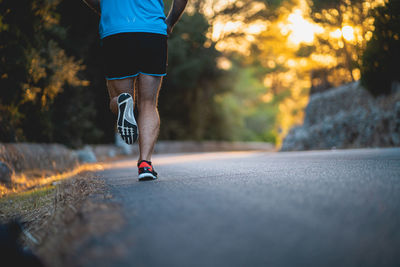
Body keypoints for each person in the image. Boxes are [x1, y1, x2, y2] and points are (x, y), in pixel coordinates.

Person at [83, 0, 188, 180]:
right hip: (152, 31)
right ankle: (145, 164)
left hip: (116, 31)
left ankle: (124, 102)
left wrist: (107, 8)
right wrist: (170, 21)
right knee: (148, 104)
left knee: (118, 99)